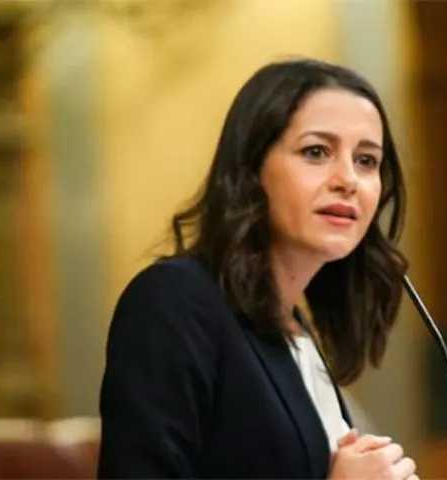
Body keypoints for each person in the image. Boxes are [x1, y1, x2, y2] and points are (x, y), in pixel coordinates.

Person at [97, 58, 418, 479]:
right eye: (316, 152)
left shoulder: (298, 331)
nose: (348, 179)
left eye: (366, 160)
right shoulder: (173, 301)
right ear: (251, 170)